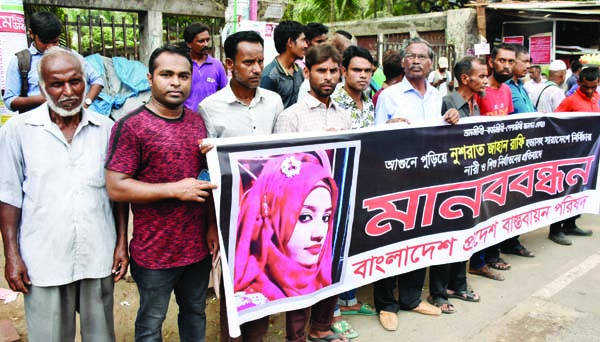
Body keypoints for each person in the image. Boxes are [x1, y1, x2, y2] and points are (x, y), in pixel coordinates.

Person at [0, 46, 128, 341]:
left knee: (101, 335)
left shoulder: (107, 129)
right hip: (44, 258)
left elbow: (117, 192)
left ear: (86, 82)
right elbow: (8, 197)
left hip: (98, 252)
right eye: (57, 84)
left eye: (75, 81)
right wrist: (12, 255)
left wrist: (122, 241)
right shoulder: (18, 131)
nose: (68, 91)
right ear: (43, 88)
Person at [105, 46, 219, 342]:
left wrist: (211, 225)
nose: (175, 82)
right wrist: (174, 190)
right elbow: (116, 185)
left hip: (196, 248)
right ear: (150, 78)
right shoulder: (131, 126)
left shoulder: (196, 121)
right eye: (166, 74)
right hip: (154, 251)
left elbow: (205, 179)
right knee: (151, 322)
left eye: (183, 75)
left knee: (194, 312)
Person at [198, 30, 283, 342]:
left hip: (270, 209)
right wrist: (212, 224)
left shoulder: (273, 102)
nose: (257, 68)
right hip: (231, 214)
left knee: (264, 280)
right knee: (234, 287)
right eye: (249, 62)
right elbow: (206, 172)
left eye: (261, 61)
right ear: (229, 64)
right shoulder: (209, 108)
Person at [374, 37, 459, 331]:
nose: (415, 61)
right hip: (395, 180)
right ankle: (385, 303)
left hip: (428, 179)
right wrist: (388, 130)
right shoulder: (389, 96)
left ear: (431, 63)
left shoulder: (436, 96)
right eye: (410, 56)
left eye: (422, 57)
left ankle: (411, 298)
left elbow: (438, 132)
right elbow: (375, 138)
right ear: (402, 61)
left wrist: (452, 118)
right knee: (391, 240)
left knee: (419, 240)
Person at [274, 43, 349, 342]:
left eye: (333, 71)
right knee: (299, 273)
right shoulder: (291, 117)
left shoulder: (343, 116)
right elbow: (281, 167)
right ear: (307, 72)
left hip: (335, 207)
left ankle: (321, 327)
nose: (328, 77)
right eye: (321, 71)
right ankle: (296, 337)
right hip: (301, 211)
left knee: (330, 267)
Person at [234, 151, 338, 303]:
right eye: (304, 217)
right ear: (274, 216)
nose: (320, 233)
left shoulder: (320, 278)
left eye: (326, 218)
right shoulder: (248, 298)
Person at [428, 56, 488, 314]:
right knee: (447, 237)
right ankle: (438, 292)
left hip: (469, 178)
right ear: (466, 79)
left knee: (465, 234)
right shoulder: (446, 103)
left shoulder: (475, 105)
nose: (486, 80)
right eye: (482, 75)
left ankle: (458, 284)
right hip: (447, 181)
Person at [3, 11, 104, 113]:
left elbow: (97, 81)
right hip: (35, 125)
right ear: (31, 34)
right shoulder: (21, 61)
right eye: (44, 42)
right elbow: (10, 101)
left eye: (55, 41)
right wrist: (46, 98)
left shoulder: (71, 56)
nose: (50, 47)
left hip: (70, 124)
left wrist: (85, 104)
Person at [182, 22, 228, 112]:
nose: (206, 44)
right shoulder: (182, 65)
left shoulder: (217, 65)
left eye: (207, 40)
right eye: (201, 41)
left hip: (211, 118)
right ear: (189, 44)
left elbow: (225, 94)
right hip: (187, 120)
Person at [261, 20, 306, 108]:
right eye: (302, 40)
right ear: (290, 42)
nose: (306, 45)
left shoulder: (299, 71)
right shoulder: (270, 76)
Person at [332, 45, 375, 129]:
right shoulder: (333, 104)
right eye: (357, 70)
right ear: (344, 71)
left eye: (367, 70)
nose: (363, 75)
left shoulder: (369, 104)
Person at [474, 43, 515, 117]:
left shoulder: (507, 89)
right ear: (491, 63)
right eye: (502, 60)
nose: (506, 66)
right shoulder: (478, 89)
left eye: (511, 61)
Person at [298, 23, 330, 101]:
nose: (324, 45)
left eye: (325, 41)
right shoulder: (298, 65)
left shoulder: (329, 62)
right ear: (307, 42)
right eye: (319, 41)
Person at [506, 44, 535, 114]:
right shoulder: (504, 87)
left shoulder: (521, 87)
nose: (528, 66)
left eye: (529, 62)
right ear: (512, 61)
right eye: (525, 62)